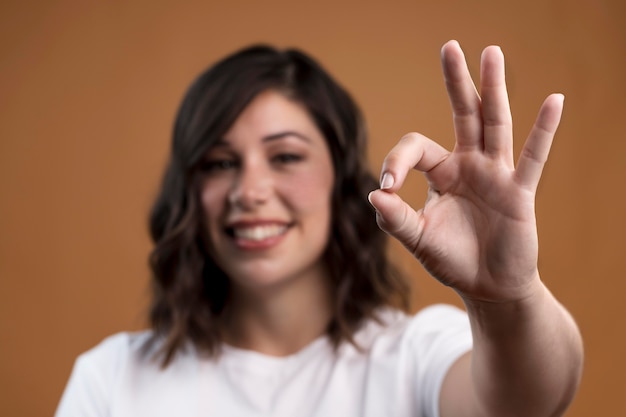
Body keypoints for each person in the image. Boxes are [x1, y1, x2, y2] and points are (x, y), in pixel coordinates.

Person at [55, 40, 583, 417]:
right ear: (187, 191)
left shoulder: (418, 353)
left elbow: (527, 402)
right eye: (218, 163)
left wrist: (506, 297)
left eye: (285, 156)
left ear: (340, 181)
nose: (249, 191)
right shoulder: (112, 377)